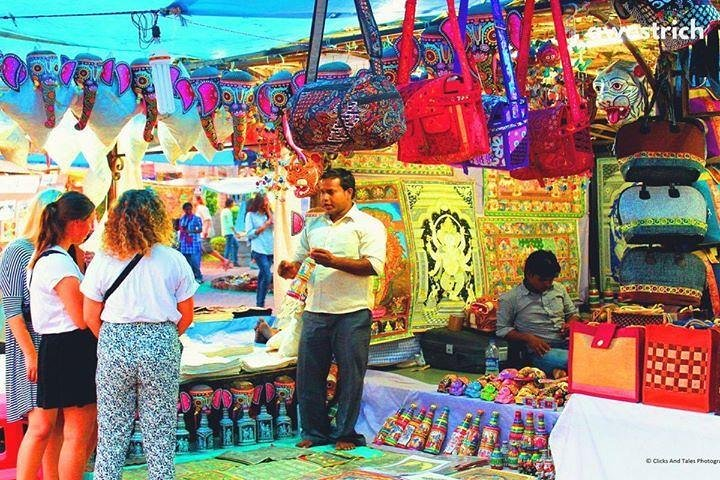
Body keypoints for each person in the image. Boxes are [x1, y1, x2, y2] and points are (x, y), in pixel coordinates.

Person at [81, 189, 197, 480]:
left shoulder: (103, 261)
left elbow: (89, 315)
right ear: (157, 220)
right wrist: (163, 337)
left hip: (114, 344)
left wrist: (112, 339)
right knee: (160, 434)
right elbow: (187, 314)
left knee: (111, 435)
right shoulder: (172, 259)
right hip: (160, 343)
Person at [278, 168, 386, 451]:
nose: (324, 198)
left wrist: (334, 261)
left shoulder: (369, 225)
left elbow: (373, 266)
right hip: (315, 309)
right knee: (309, 374)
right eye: (321, 192)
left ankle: (345, 434)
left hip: (352, 311)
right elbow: (299, 262)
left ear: (349, 192)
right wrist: (288, 268)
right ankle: (314, 432)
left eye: (331, 192)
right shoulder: (314, 226)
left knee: (351, 376)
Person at [25, 191, 97, 480]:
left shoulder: (49, 257)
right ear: (76, 223)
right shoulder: (58, 263)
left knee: (55, 429)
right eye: (90, 221)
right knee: (77, 434)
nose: (92, 229)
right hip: (71, 349)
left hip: (56, 348)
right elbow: (80, 318)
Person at [0, 189, 64, 480]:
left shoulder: (60, 250)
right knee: (39, 425)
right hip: (31, 346)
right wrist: (30, 353)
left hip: (57, 345)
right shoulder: (18, 251)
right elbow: (11, 309)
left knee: (56, 425)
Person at [495, 250, 581, 375]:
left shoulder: (559, 289)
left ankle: (558, 373)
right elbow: (502, 330)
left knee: (595, 353)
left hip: (567, 343)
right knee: (576, 360)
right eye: (542, 280)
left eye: (551, 279)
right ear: (529, 275)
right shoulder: (510, 298)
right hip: (541, 351)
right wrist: (528, 338)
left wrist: (570, 324)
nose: (547, 284)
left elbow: (573, 314)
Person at [245, 193, 274, 307]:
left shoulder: (268, 215)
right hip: (258, 249)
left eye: (267, 201)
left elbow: (275, 224)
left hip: (269, 249)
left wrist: (268, 212)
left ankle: (259, 305)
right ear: (259, 202)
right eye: (265, 201)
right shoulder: (251, 215)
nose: (266, 203)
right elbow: (250, 234)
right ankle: (260, 302)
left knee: (263, 276)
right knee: (267, 275)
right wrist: (264, 226)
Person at [193, 194, 231, 270]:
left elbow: (207, 219)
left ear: (198, 200)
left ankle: (224, 260)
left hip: (205, 232)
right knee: (202, 249)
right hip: (201, 232)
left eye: (194, 199)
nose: (193, 201)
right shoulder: (198, 209)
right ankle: (223, 261)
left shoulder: (202, 208)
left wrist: (205, 231)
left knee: (206, 248)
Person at [178, 202, 204, 282]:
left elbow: (200, 230)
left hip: (194, 243)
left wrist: (190, 231)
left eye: (189, 209)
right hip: (184, 243)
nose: (188, 211)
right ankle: (191, 278)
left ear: (191, 209)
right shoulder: (182, 219)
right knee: (186, 262)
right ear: (184, 210)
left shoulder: (196, 218)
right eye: (186, 209)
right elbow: (181, 230)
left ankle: (198, 277)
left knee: (195, 261)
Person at [221, 197, 240, 267]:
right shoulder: (228, 212)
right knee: (228, 248)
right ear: (231, 203)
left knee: (236, 245)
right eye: (233, 202)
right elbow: (230, 224)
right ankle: (225, 263)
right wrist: (236, 233)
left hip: (227, 232)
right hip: (229, 232)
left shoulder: (224, 211)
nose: (234, 203)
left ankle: (235, 261)